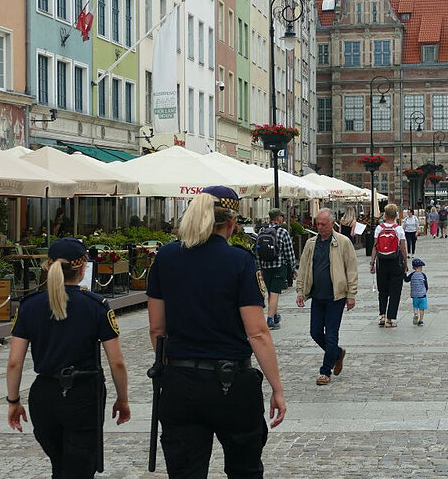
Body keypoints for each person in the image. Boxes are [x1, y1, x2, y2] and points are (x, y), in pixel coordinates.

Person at [146, 186, 285, 477]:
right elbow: (257, 332)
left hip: (180, 380)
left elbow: (157, 328)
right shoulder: (240, 260)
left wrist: (173, 366)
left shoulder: (166, 257)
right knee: (243, 467)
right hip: (230, 381)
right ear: (232, 223)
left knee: (185, 470)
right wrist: (277, 388)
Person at [6, 237, 131, 478]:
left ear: (48, 265)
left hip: (44, 394)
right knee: (80, 468)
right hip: (84, 394)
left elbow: (14, 361)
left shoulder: (29, 306)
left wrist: (13, 401)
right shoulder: (96, 306)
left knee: (59, 465)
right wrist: (122, 398)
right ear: (83, 267)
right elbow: (117, 361)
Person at [296, 209, 359, 385]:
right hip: (317, 295)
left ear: (333, 224)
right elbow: (303, 268)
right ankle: (338, 353)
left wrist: (351, 294)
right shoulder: (311, 244)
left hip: (336, 297)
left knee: (331, 335)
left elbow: (351, 269)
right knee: (315, 332)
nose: (320, 227)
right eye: (318, 224)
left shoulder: (343, 242)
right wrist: (300, 291)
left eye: (323, 224)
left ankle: (325, 372)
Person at [256, 209, 298, 330]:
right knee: (275, 293)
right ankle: (269, 319)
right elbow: (289, 252)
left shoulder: (262, 231)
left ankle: (274, 315)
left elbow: (258, 250)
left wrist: (259, 267)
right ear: (278, 218)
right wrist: (293, 268)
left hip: (265, 267)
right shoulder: (282, 232)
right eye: (281, 216)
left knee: (270, 292)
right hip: (279, 266)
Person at [371, 204, 409, 327]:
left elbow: (375, 247)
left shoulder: (379, 228)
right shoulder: (398, 229)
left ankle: (382, 315)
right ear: (396, 215)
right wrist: (405, 263)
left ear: (385, 215)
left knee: (382, 290)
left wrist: (372, 263)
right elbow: (403, 248)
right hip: (395, 261)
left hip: (381, 262)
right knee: (395, 291)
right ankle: (390, 319)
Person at [405, 258, 429, 326]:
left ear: (413, 267)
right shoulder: (423, 275)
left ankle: (415, 314)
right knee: (422, 308)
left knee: (415, 306)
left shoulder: (412, 275)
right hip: (422, 295)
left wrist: (404, 273)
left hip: (414, 295)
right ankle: (421, 320)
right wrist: (425, 290)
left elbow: (406, 280)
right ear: (421, 267)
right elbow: (426, 285)